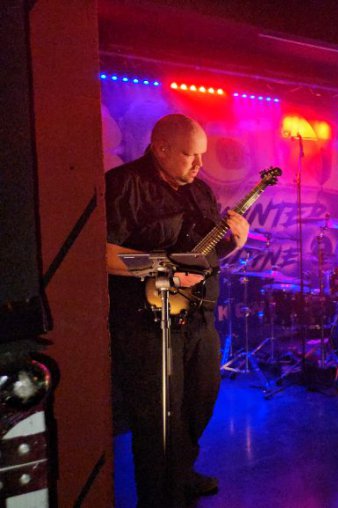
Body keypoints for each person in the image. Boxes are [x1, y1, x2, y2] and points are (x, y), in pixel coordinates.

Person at [106, 114, 249, 506]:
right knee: (156, 420)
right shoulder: (123, 185)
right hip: (147, 323)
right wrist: (163, 265)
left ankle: (182, 474)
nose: (200, 164)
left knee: (199, 403)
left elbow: (203, 260)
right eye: (190, 155)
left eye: (202, 155)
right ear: (161, 148)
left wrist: (235, 243)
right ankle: (156, 497)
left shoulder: (199, 191)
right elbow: (103, 254)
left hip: (199, 318)